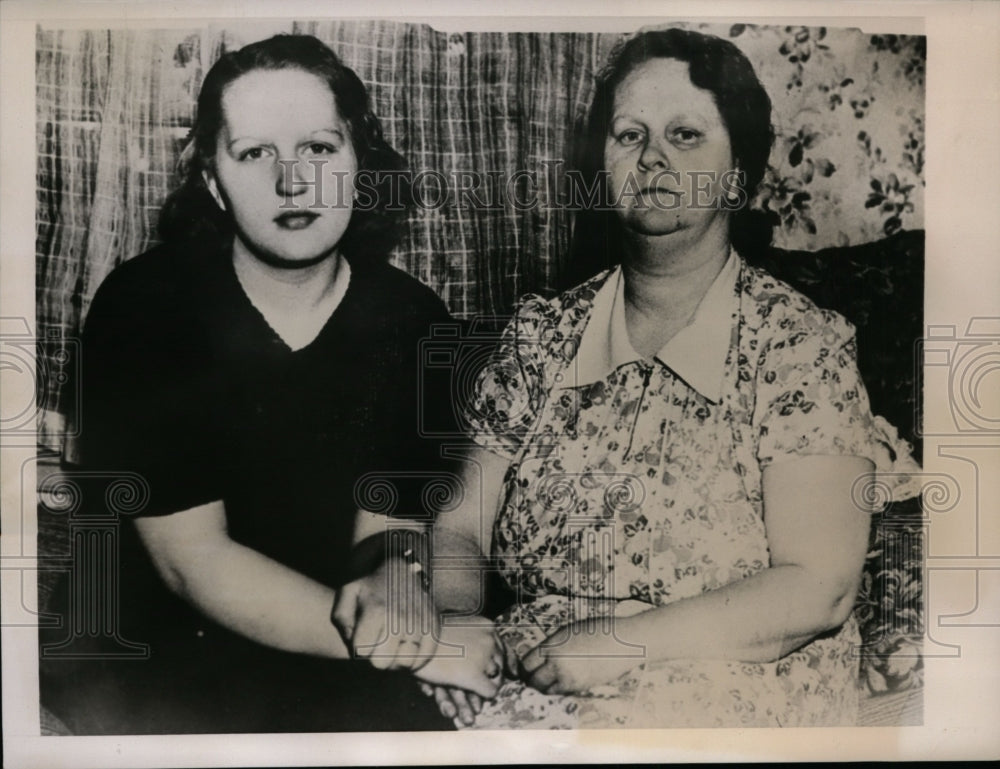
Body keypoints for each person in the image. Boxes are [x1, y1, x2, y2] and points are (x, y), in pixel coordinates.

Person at [336, 27, 921, 729]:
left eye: (686, 134)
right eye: (629, 134)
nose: (653, 158)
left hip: (731, 680)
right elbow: (461, 526)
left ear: (737, 175)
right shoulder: (541, 337)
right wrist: (460, 627)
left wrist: (621, 645)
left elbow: (816, 589)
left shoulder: (796, 346)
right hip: (533, 664)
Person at [39, 33, 500, 735]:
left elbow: (390, 513)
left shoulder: (413, 316)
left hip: (331, 636)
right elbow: (194, 564)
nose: (293, 182)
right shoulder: (143, 307)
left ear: (359, 164)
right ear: (214, 182)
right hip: (156, 649)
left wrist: (392, 575)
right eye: (255, 153)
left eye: (319, 148)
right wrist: (420, 649)